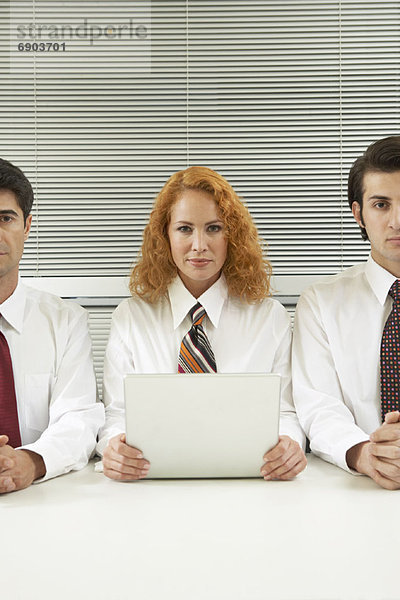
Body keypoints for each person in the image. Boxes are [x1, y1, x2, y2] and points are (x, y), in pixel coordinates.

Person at [97, 166, 306, 481]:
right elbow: (116, 416)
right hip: (152, 486)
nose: (198, 245)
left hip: (250, 484)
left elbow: (287, 414)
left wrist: (290, 446)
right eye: (184, 229)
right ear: (164, 235)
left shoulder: (270, 318)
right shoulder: (131, 317)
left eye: (213, 228)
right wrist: (113, 447)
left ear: (231, 235)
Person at [292, 135, 400, 490]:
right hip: (356, 492)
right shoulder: (321, 303)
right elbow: (318, 404)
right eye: (381, 205)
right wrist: (365, 454)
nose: (397, 221)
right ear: (359, 214)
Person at [0, 158, 104, 494]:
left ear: (27, 226)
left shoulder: (65, 321)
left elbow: (80, 418)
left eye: (6, 218)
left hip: (42, 503)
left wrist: (30, 461)